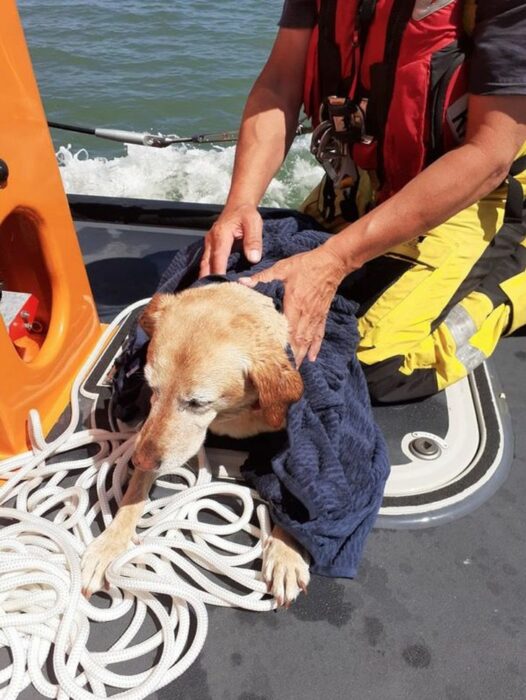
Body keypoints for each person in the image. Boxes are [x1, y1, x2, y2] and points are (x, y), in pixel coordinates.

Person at [200, 0, 526, 402]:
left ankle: (514, 282)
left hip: (477, 195)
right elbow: (280, 83)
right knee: (246, 300)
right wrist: (240, 202)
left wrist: (334, 260)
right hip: (361, 186)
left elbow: (489, 155)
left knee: (370, 365)